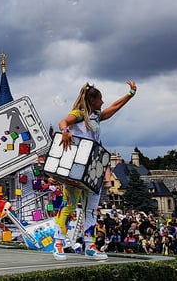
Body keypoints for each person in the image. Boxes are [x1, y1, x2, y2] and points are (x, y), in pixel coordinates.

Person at [52, 81, 136, 261]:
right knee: (69, 205)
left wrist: (130, 94)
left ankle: (89, 245)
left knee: (91, 209)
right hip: (77, 166)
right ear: (92, 100)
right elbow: (63, 121)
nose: (103, 102)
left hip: (93, 167)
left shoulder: (95, 116)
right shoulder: (79, 114)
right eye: (100, 99)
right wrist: (65, 131)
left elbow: (114, 107)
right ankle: (58, 242)